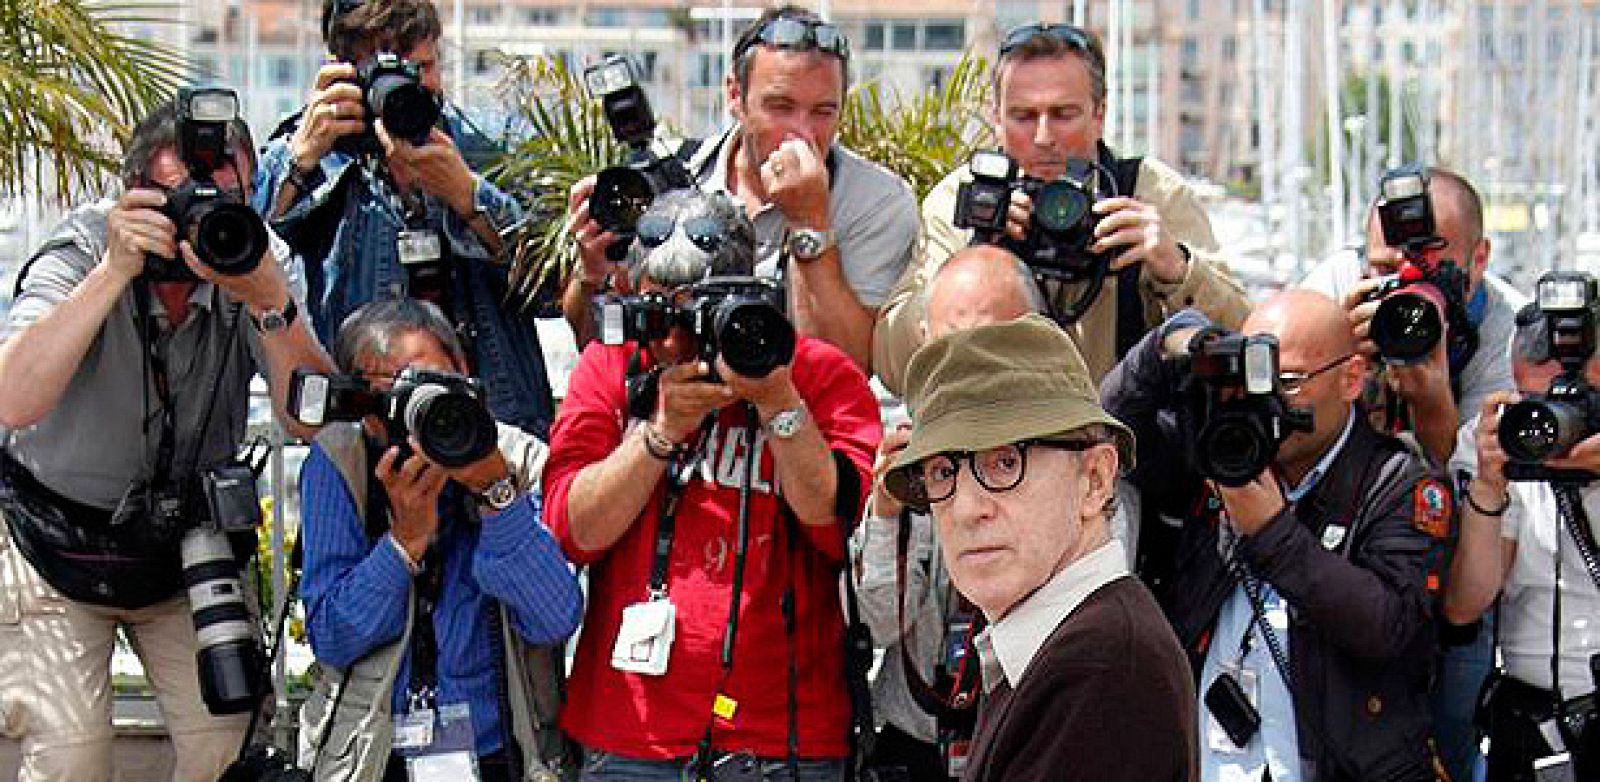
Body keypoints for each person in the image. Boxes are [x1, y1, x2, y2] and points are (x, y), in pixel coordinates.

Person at [0, 96, 331, 781]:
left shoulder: (258, 258)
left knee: (224, 745)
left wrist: (269, 300)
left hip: (184, 551)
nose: (199, 222)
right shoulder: (86, 247)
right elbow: (12, 398)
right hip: (52, 543)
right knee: (69, 760)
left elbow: (310, 418)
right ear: (132, 200)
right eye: (178, 202)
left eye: (221, 199)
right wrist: (114, 271)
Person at [544, 188, 881, 780]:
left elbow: (836, 527)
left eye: (693, 314)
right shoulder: (612, 366)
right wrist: (660, 432)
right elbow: (571, 531)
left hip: (785, 740)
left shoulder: (817, 375)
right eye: (658, 315)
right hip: (632, 734)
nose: (675, 343)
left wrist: (777, 400)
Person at [1102, 290, 1442, 780]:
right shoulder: (1214, 454)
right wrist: (1168, 344)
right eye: (1252, 375)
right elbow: (1109, 435)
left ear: (1350, 379)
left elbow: (1387, 623)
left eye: (1287, 379)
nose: (1268, 398)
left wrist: (1270, 532)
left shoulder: (1398, 482)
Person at [878, 315, 1196, 781]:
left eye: (1006, 462)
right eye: (944, 473)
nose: (967, 508)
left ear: (1094, 481)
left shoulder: (1100, 664)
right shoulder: (1066, 644)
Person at [873, 21, 1251, 394]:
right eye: (1023, 116)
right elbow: (893, 366)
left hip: (1122, 433)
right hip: (994, 425)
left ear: (1099, 114)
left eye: (1063, 114)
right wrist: (973, 261)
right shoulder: (962, 198)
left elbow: (1244, 340)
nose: (1043, 137)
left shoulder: (1151, 193)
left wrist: (1177, 270)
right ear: (996, 118)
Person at [1298, 167, 1526, 781]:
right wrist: (1332, 352)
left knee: (1450, 730)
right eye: (1384, 267)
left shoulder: (1507, 333)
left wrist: (1433, 403)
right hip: (1346, 555)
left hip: (1453, 572)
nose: (1401, 286)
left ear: (1479, 258)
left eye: (1430, 268)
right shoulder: (1338, 290)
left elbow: (1482, 488)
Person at [296, 298, 583, 782]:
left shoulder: (516, 455)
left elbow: (553, 619)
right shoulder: (341, 460)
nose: (421, 413)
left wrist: (496, 493)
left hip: (502, 749)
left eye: (432, 386)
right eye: (397, 396)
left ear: (465, 373)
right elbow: (333, 637)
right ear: (366, 410)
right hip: (375, 751)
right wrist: (402, 543)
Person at [254, 0, 554, 437]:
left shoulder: (496, 146)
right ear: (345, 73)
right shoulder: (317, 149)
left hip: (496, 427)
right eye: (388, 73)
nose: (411, 87)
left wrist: (467, 196)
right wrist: (299, 162)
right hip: (365, 433)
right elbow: (250, 263)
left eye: (424, 67)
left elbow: (554, 290)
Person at [563, 4, 919, 371]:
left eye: (823, 112)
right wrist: (591, 277)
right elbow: (593, 343)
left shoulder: (878, 202)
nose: (802, 131)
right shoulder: (670, 180)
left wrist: (810, 223)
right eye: (781, 106)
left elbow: (845, 370)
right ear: (735, 95)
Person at [851, 245, 1045, 780]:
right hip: (913, 745)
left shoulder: (1075, 461)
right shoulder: (906, 446)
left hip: (1023, 746)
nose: (963, 367)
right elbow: (874, 625)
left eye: (987, 344)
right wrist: (889, 513)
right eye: (946, 345)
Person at [1444, 296, 1600, 782]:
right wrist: (1491, 486)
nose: (1554, 424)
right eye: (1540, 403)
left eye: (1580, 401)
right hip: (1531, 721)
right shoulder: (1494, 443)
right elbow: (1466, 605)